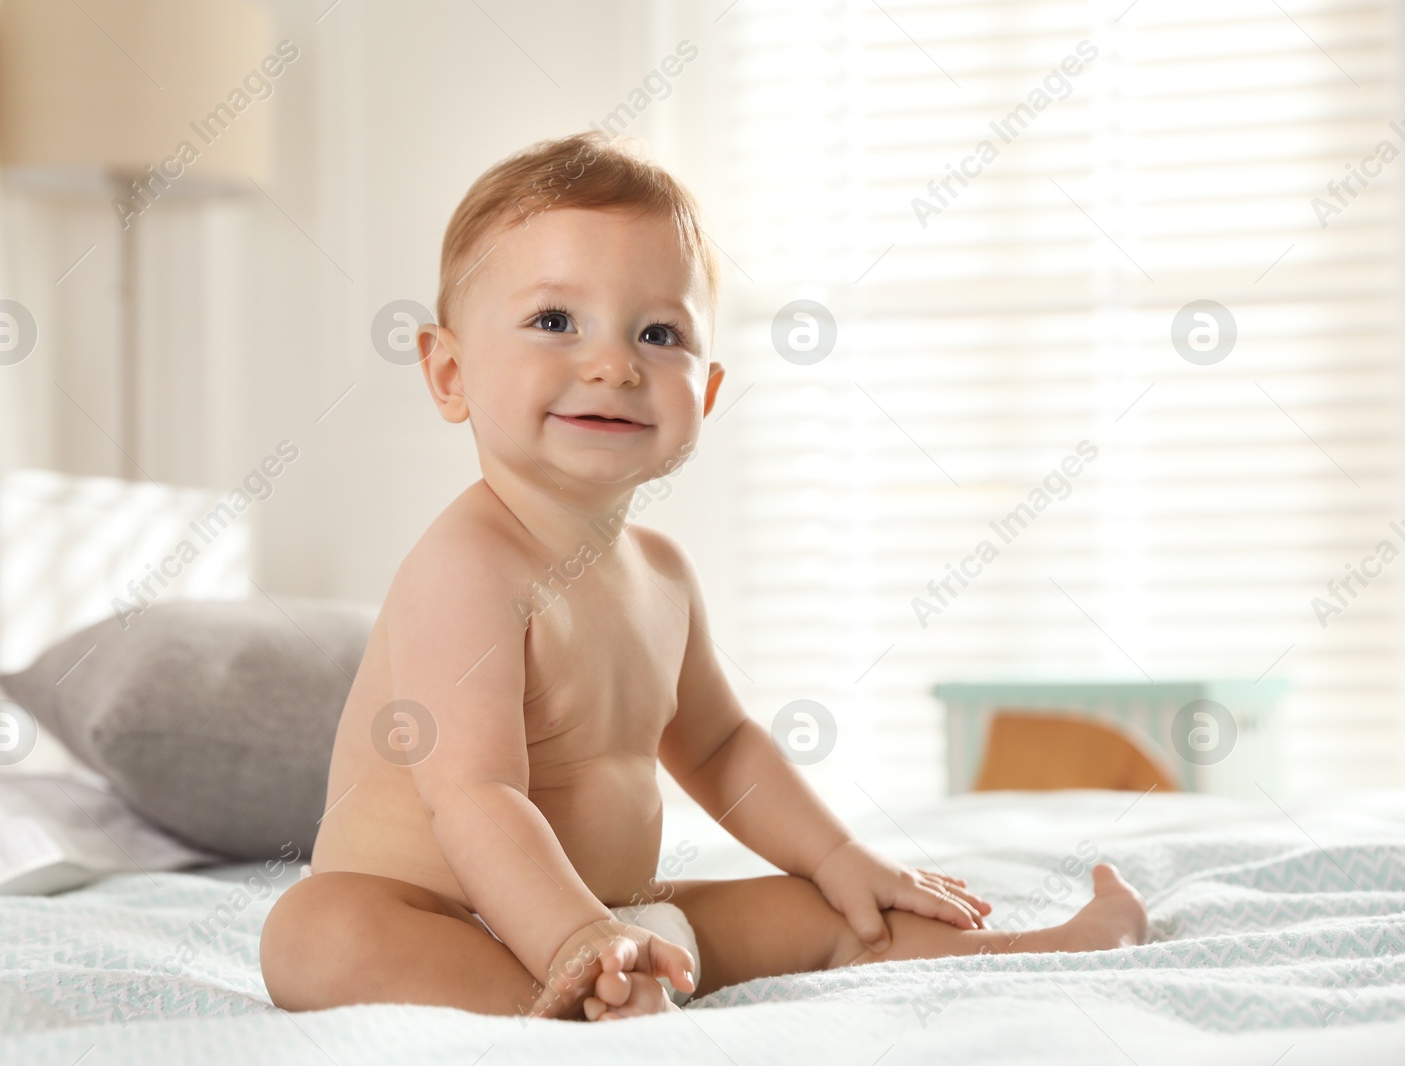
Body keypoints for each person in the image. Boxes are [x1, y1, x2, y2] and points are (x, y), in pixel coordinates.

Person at [260, 132, 1146, 1022]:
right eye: (555, 321)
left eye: (659, 332)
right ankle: (573, 1000)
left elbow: (721, 750)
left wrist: (839, 859)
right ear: (449, 372)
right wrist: (569, 939)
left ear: (708, 395)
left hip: (616, 917)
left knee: (823, 907)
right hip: (445, 921)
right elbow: (474, 791)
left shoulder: (665, 575)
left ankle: (1033, 950)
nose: (612, 363)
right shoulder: (466, 565)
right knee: (315, 933)